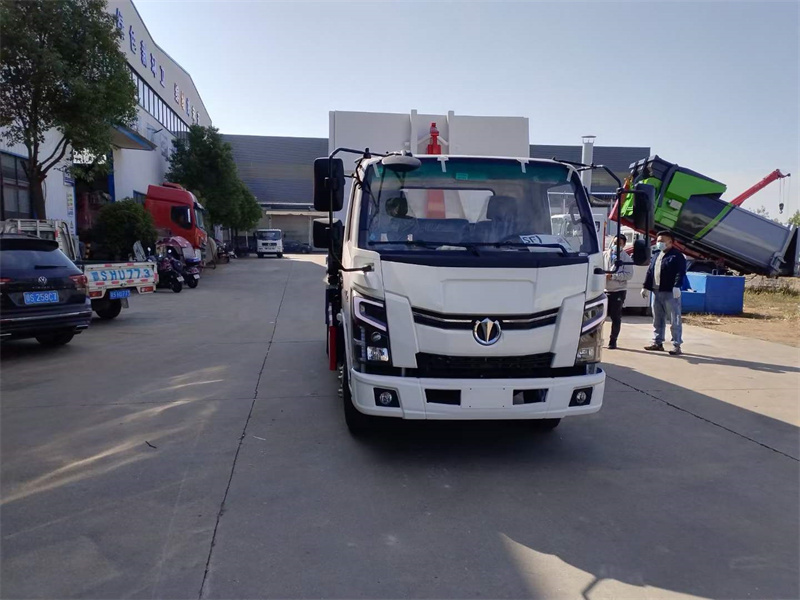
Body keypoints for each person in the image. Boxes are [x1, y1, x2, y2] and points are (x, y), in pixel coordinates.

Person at [641, 231, 687, 355]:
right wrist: (645, 287)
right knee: (657, 319)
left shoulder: (677, 256)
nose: (659, 243)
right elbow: (650, 272)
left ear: (670, 242)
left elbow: (680, 272)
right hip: (656, 291)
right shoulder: (657, 255)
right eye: (658, 241)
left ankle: (676, 345)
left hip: (670, 292)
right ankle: (657, 342)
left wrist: (677, 286)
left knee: (674, 319)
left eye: (662, 241)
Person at [604, 234, 634, 349]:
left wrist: (613, 276)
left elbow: (628, 275)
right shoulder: (604, 255)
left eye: (619, 244)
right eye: (615, 243)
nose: (616, 245)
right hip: (604, 290)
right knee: (599, 317)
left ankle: (613, 340)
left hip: (618, 291)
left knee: (615, 317)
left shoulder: (626, 258)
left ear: (624, 245)